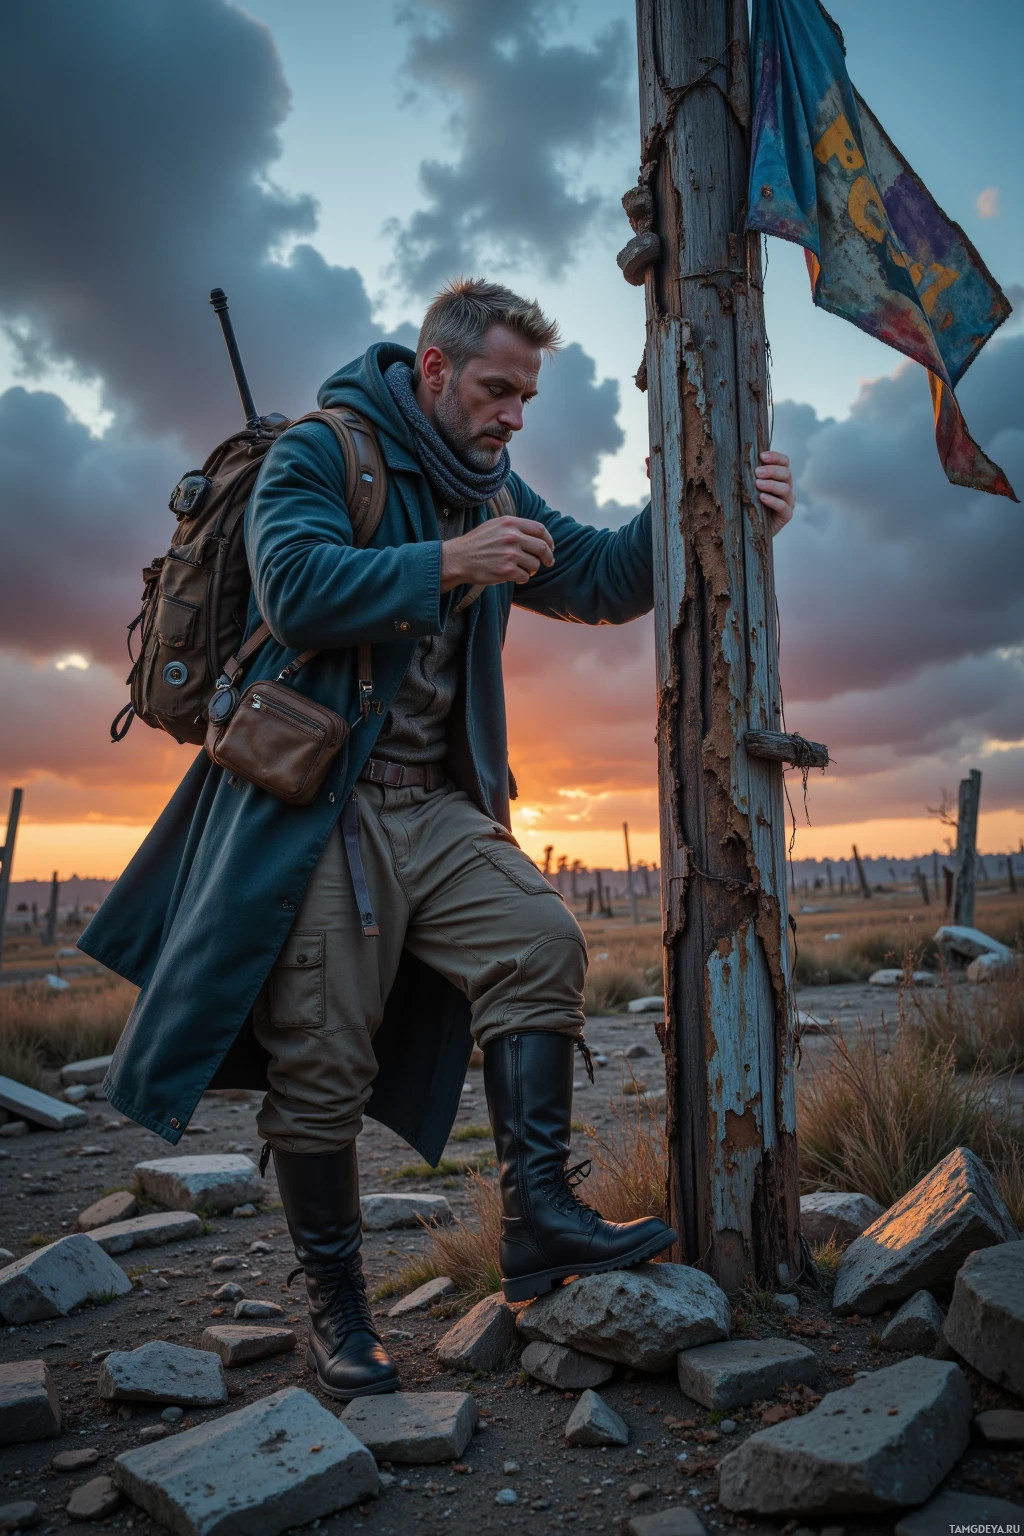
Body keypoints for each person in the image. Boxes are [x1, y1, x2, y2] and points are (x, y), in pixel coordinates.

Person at [81, 277, 794, 1404]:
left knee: (539, 942)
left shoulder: (489, 482)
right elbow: (297, 589)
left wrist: (721, 513)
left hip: (439, 807)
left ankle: (540, 1222)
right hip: (318, 805)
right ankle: (340, 1310)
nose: (515, 415)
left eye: (527, 397)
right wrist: (450, 566)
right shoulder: (323, 453)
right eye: (498, 389)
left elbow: (604, 576)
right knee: (320, 1060)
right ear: (433, 370)